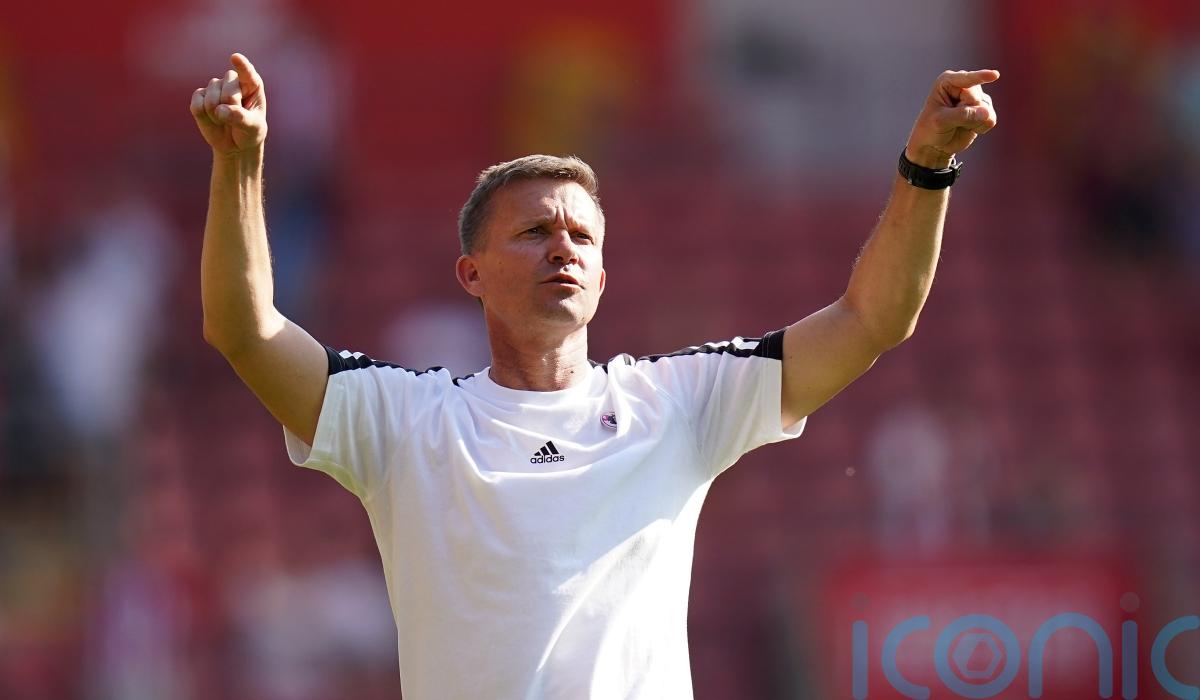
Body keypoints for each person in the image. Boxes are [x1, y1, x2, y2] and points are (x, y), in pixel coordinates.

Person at [190, 53, 998, 699]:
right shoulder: (404, 419)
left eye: (581, 236)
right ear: (471, 274)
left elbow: (872, 320)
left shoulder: (679, 401)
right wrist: (239, 165)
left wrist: (928, 167)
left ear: (603, 279)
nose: (562, 249)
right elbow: (245, 330)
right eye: (534, 232)